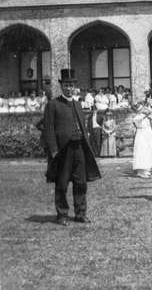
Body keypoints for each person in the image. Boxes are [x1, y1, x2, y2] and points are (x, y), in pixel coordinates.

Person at [42, 69, 101, 226]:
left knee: (80, 181)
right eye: (66, 85)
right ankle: (62, 214)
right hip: (63, 150)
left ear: (75, 86)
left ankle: (81, 213)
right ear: (62, 86)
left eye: (71, 85)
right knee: (62, 182)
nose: (69, 88)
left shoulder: (77, 104)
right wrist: (54, 150)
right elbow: (48, 129)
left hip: (79, 147)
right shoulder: (53, 104)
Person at [132, 103, 152, 178]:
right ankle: (141, 171)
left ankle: (146, 169)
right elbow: (139, 119)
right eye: (141, 110)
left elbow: (151, 117)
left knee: (148, 151)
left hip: (147, 134)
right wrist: (146, 114)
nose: (143, 111)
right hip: (141, 135)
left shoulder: (146, 118)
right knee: (142, 151)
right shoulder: (137, 117)